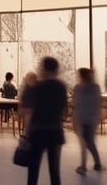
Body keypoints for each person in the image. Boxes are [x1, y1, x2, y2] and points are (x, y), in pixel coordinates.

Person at [25, 57, 68, 185]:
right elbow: (63, 109)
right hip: (55, 131)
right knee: (54, 171)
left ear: (44, 68)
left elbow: (30, 110)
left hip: (38, 131)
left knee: (33, 168)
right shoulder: (61, 87)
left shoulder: (37, 87)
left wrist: (26, 133)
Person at [72, 68, 105, 176]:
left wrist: (74, 120)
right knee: (90, 142)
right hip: (92, 119)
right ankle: (97, 163)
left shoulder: (78, 88)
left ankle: (83, 166)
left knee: (84, 143)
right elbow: (98, 103)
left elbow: (76, 105)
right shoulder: (96, 88)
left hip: (81, 118)